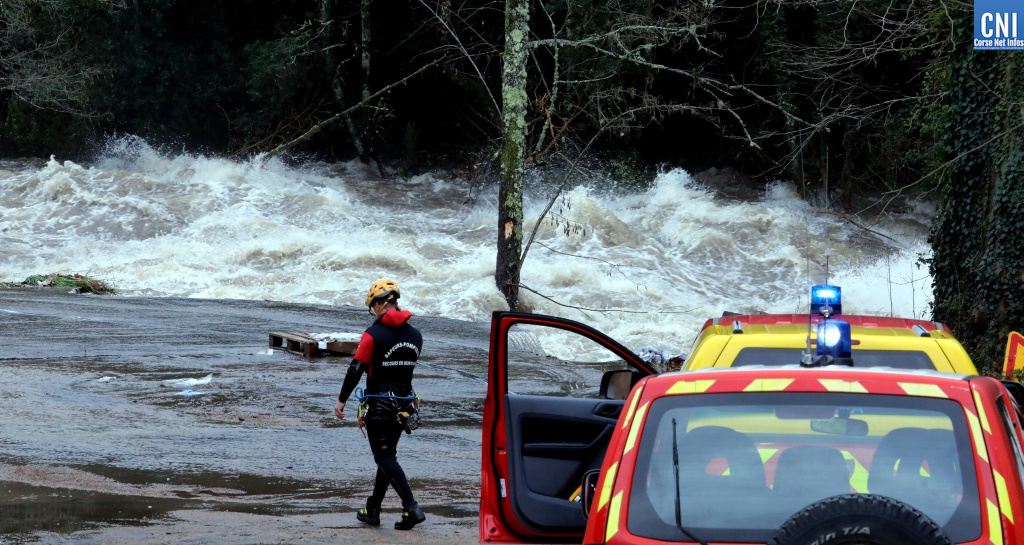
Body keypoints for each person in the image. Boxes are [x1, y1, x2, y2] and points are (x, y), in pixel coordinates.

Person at [334, 279, 426, 530]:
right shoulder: (416, 336)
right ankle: (372, 507)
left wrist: (341, 400)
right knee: (387, 457)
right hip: (405, 407)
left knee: (384, 456)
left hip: (379, 406)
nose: (373, 310)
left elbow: (356, 369)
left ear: (378, 304)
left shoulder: (372, 334)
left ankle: (411, 508)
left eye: (372, 305)